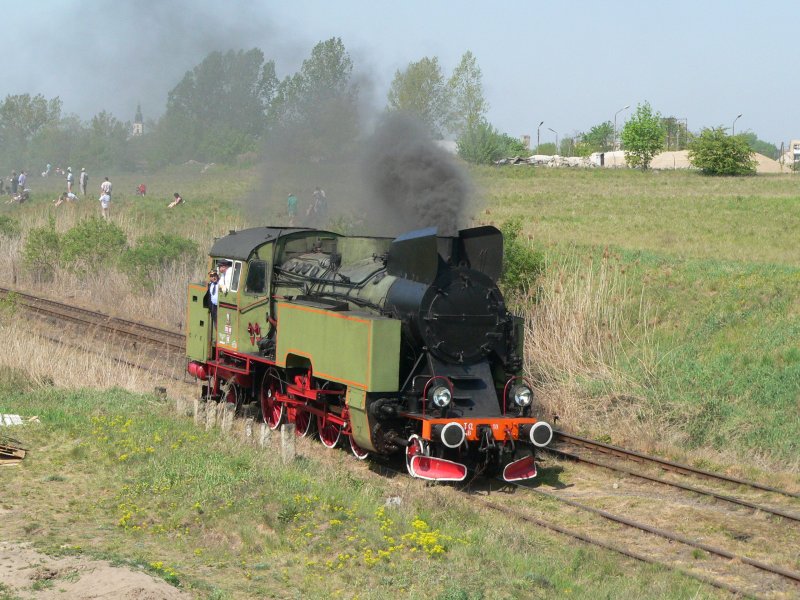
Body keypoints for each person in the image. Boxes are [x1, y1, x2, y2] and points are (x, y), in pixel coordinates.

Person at [203, 269, 220, 341]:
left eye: (215, 276)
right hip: (213, 306)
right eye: (212, 276)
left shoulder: (220, 284)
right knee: (215, 322)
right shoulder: (211, 285)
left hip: (219, 306)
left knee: (219, 323)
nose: (213, 278)